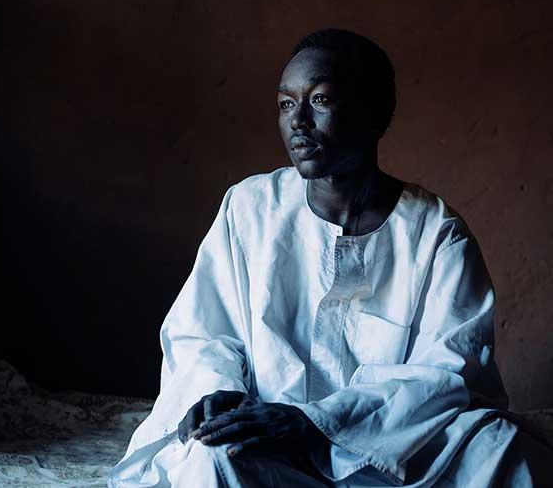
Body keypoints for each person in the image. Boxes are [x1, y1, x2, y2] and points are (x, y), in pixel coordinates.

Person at [109, 29, 546, 486]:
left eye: (319, 100)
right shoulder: (250, 208)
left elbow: (449, 374)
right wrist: (218, 393)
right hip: (266, 445)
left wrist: (319, 423)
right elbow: (202, 334)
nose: (297, 121)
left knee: (500, 447)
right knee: (210, 458)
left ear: (374, 114)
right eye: (285, 104)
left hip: (387, 450)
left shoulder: (436, 235)